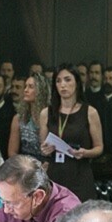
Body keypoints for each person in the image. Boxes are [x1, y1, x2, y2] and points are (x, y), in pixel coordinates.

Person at [39, 65, 103, 201]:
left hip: (79, 173)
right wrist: (45, 150)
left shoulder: (90, 112)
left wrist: (85, 153)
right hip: (55, 173)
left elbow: (99, 148)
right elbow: (43, 147)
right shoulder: (46, 113)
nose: (63, 85)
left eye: (67, 80)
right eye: (58, 81)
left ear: (77, 83)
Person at [8, 73, 50, 160]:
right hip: (25, 165)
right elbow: (12, 152)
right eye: (25, 86)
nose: (25, 90)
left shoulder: (51, 117)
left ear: (40, 91)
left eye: (30, 87)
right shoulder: (18, 118)